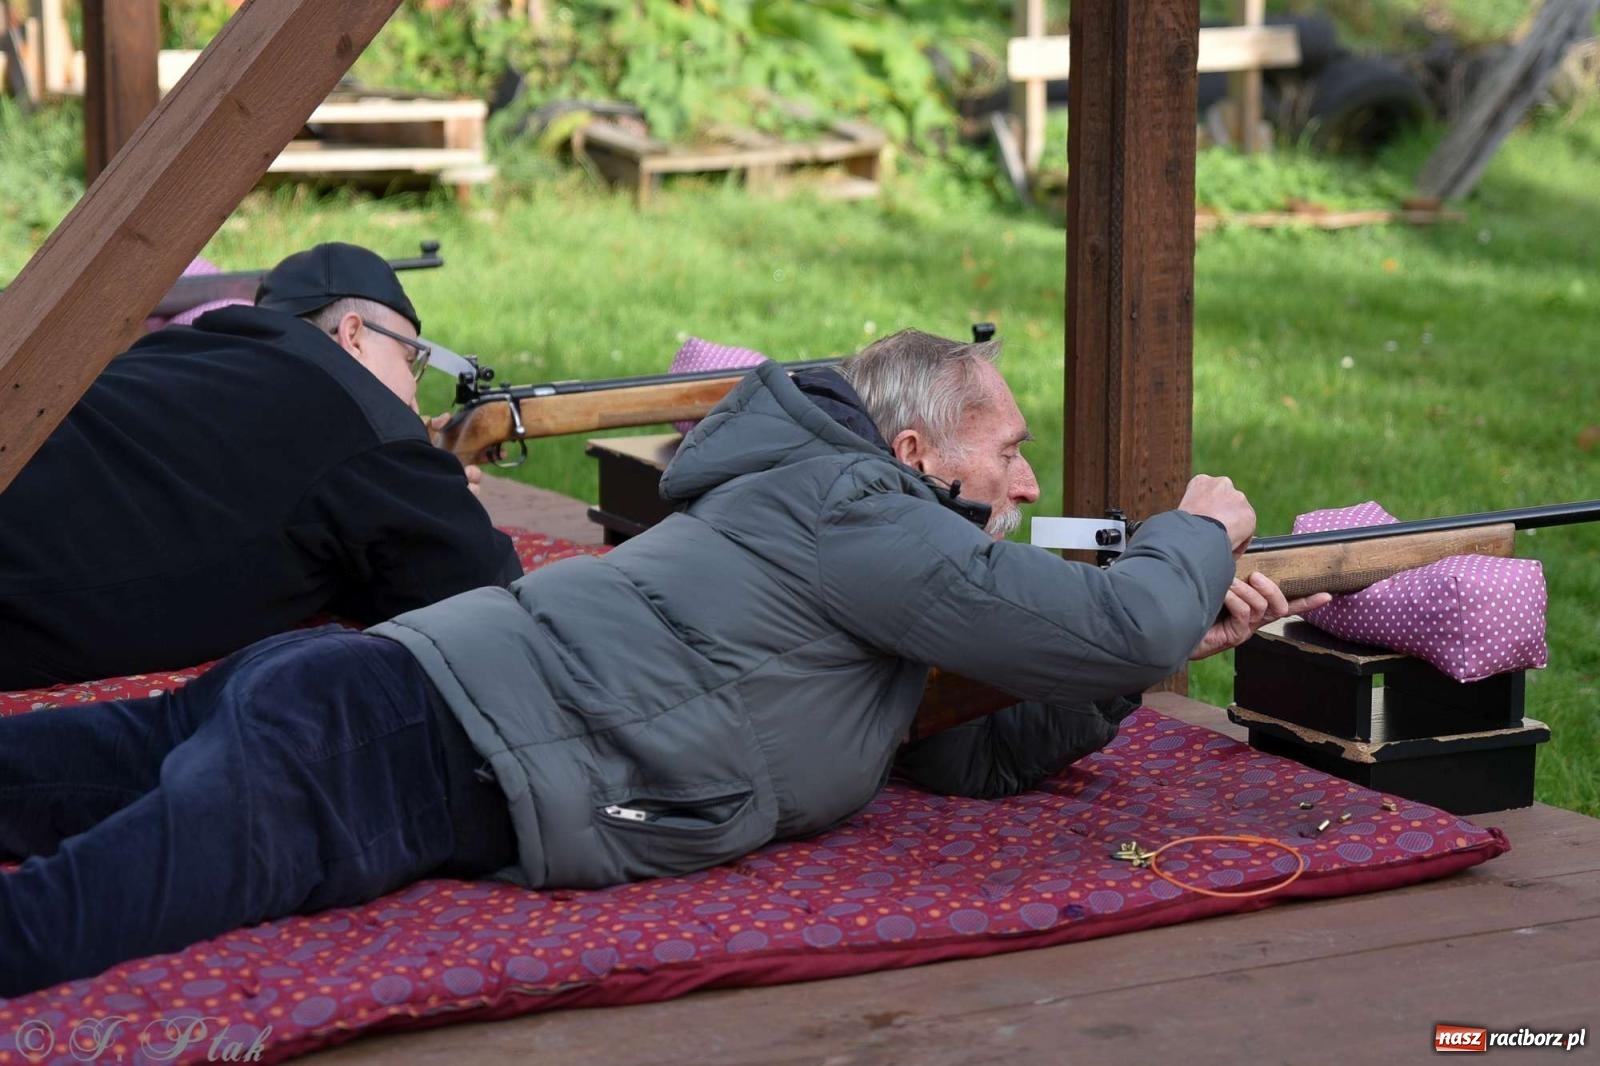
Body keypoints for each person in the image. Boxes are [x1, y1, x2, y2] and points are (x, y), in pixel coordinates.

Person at [0, 329, 1329, 996]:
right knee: (53, 926)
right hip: (394, 743)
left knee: (63, 778)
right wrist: (1194, 539)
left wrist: (1143, 649)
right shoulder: (856, 515)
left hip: (375, 703)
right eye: (1011, 448)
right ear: (919, 457)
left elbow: (970, 750)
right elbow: (1117, 616)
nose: (1031, 479)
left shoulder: (857, 546)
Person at [0, 242, 520, 689]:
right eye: (411, 361)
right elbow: (477, 593)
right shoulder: (359, 409)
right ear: (354, 335)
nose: (412, 393)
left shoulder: (179, 348)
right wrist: (446, 495)